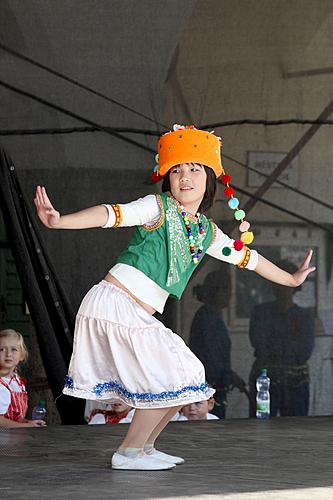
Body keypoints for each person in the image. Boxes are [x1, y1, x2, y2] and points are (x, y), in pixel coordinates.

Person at [34, 124, 315, 470]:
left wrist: (290, 278)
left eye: (194, 169)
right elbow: (112, 213)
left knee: (188, 377)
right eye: (177, 170)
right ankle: (128, 452)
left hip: (135, 313)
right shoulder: (156, 208)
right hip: (115, 304)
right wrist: (61, 221)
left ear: (209, 178)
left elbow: (248, 259)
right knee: (170, 376)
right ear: (167, 179)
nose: (185, 176)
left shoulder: (206, 230)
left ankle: (144, 448)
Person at [248, 260, 315, 418]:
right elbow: (258, 343)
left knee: (295, 429)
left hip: (296, 382)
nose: (280, 287)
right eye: (276, 282)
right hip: (265, 381)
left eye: (285, 283)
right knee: (260, 427)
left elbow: (304, 352)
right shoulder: (261, 313)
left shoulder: (304, 317)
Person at [189, 268, 240, 418]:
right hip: (210, 386)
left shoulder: (214, 316)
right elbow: (211, 357)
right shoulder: (207, 318)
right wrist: (225, 378)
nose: (230, 296)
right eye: (226, 290)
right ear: (216, 292)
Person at [0, 329, 46, 428]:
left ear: (22, 355)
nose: (8, 354)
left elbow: (13, 417)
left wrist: (27, 423)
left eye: (14, 349)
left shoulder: (16, 380)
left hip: (14, 436)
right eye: (2, 349)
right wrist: (26, 426)